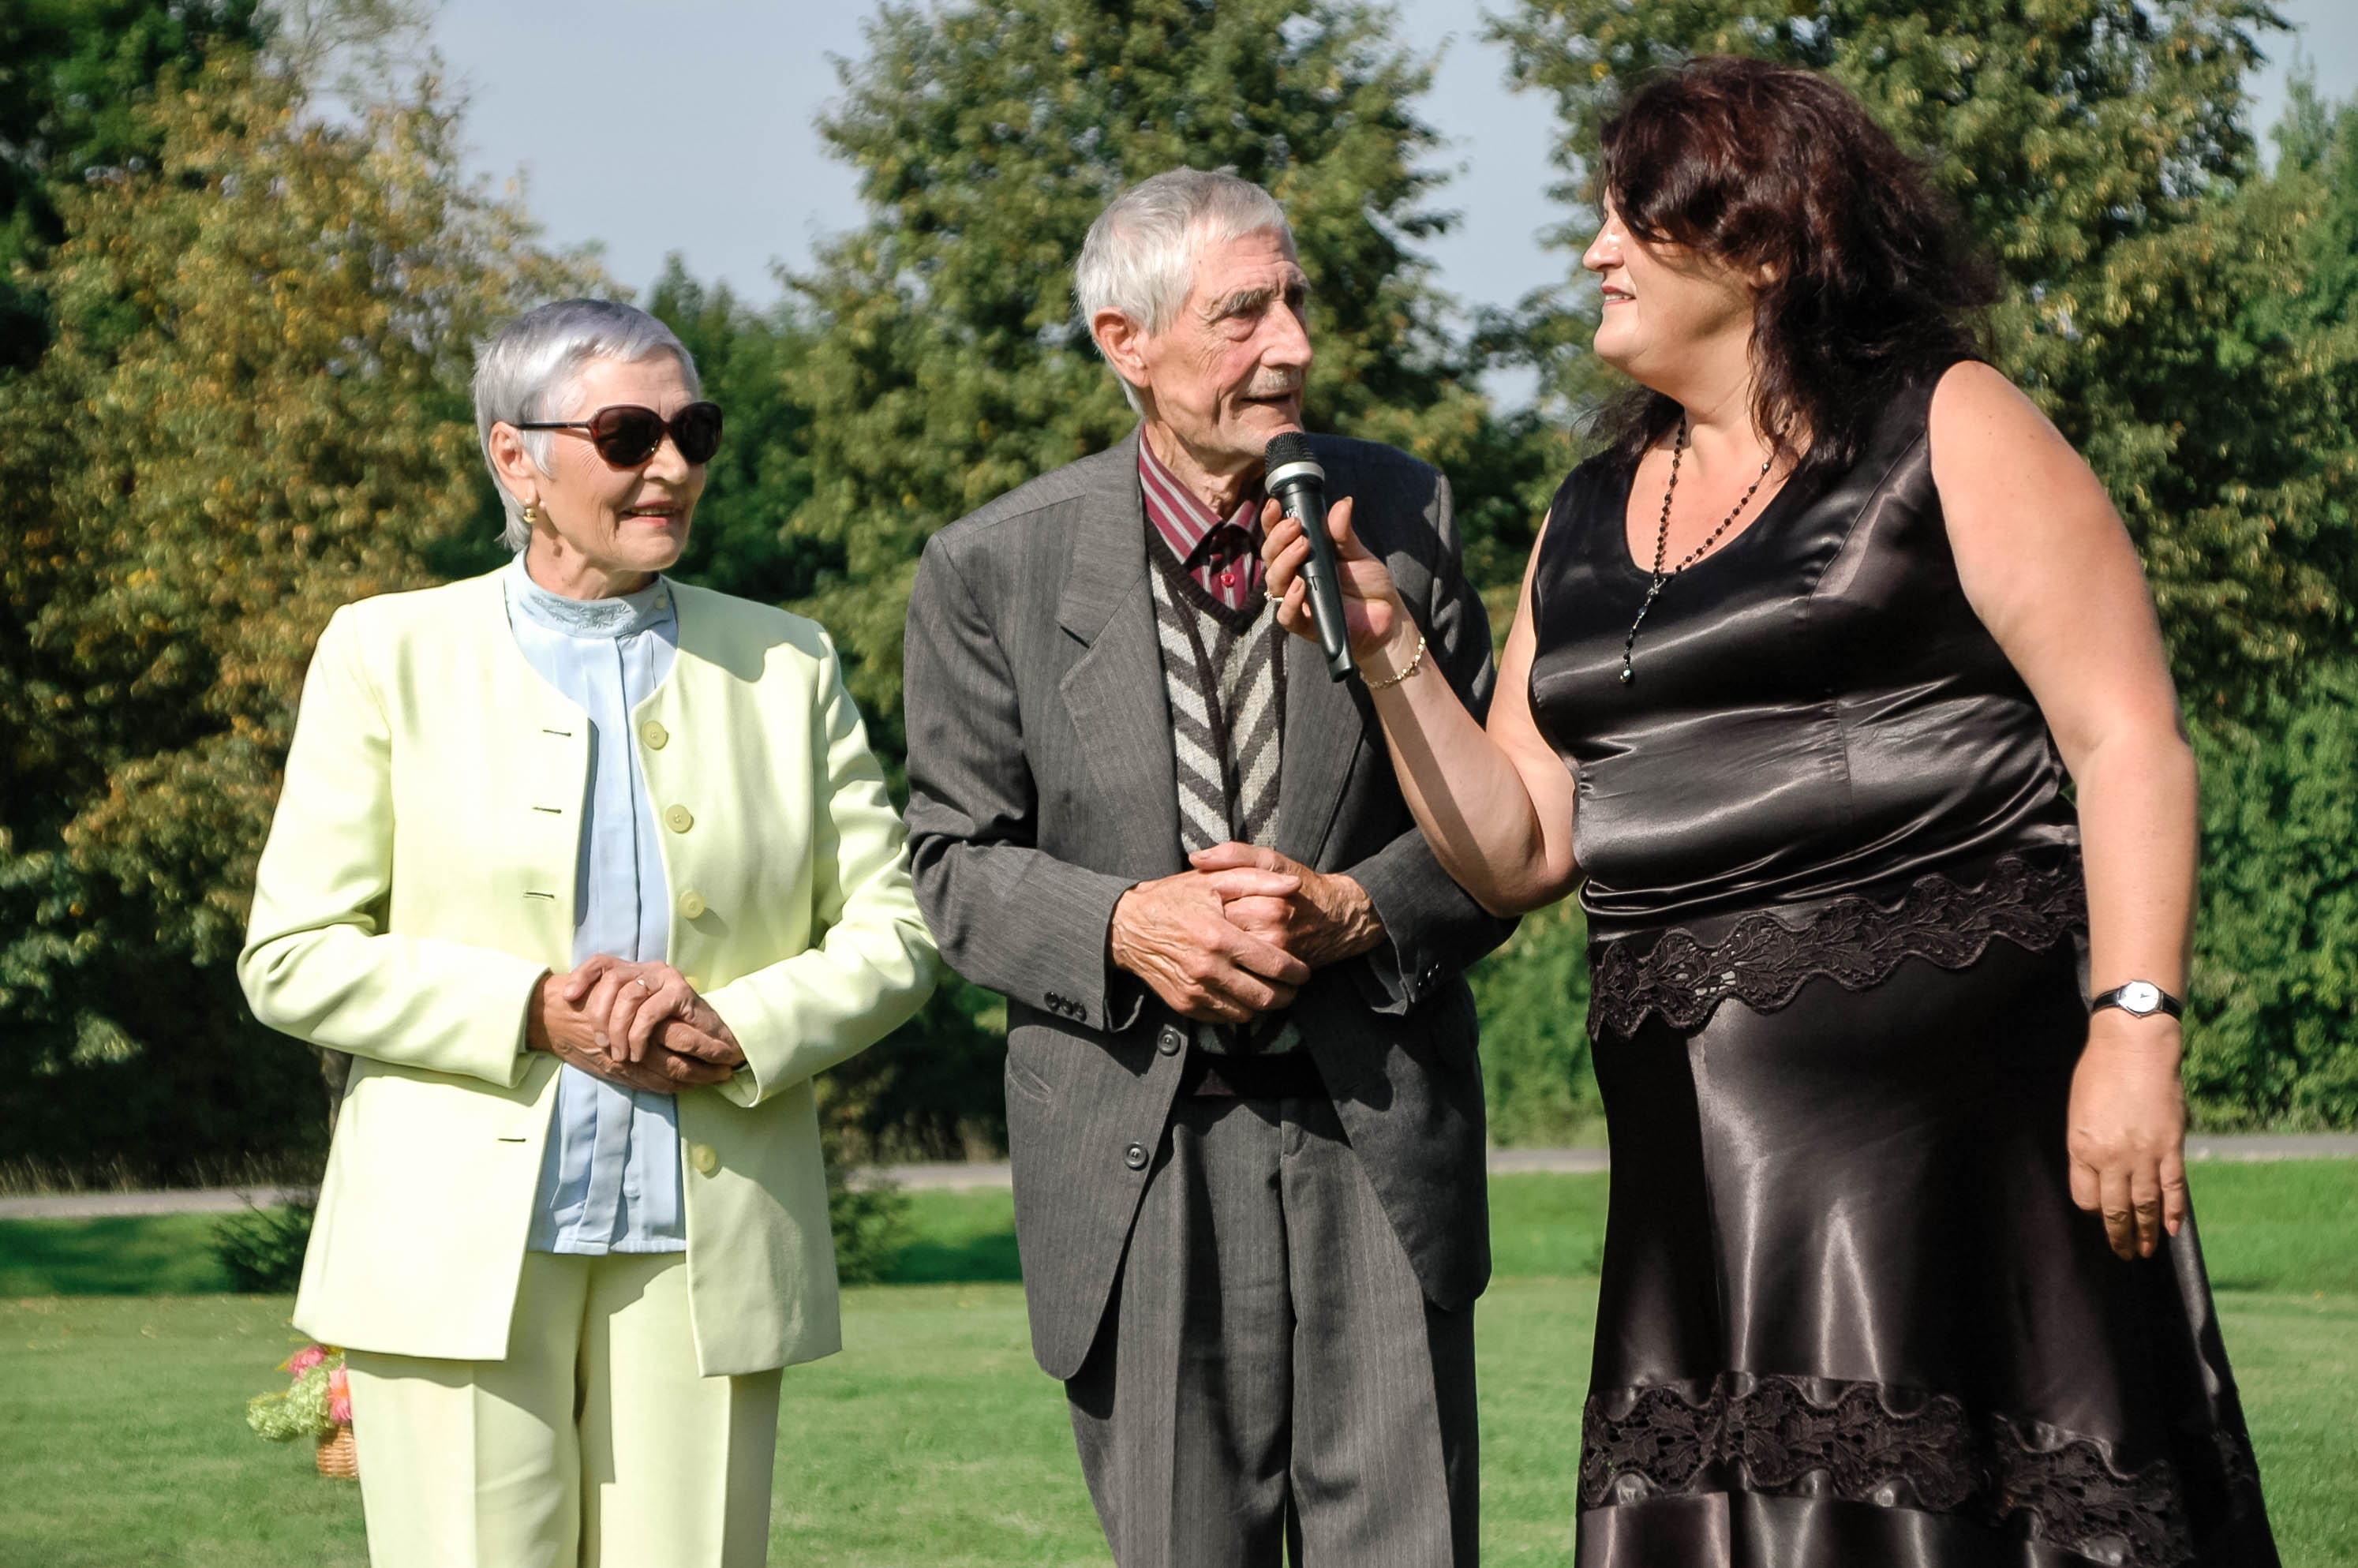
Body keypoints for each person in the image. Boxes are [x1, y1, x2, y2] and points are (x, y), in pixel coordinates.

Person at [1260, 58, 2278, 1568]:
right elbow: (1521, 847)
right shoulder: (1592, 505)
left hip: (1944, 1155)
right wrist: (1390, 651)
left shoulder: (1953, 424)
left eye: (1632, 220)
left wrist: (2136, 1028)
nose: (1595, 251)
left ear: (1762, 246)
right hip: (1697, 1174)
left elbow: (2127, 736)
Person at [238, 298, 938, 1568]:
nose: (671, 466)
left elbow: (895, 935)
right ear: (518, 460)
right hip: (446, 1259)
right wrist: (530, 1012)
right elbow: (292, 956)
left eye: (693, 431)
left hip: (708, 1252)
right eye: (628, 435)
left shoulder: (789, 662)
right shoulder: (384, 653)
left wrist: (742, 1025)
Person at [902, 167, 1510, 1566]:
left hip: (1379, 1132)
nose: (1291, 344)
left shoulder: (1402, 520)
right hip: (1138, 1153)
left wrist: (1359, 909)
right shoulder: (994, 566)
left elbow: (1504, 833)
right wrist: (1128, 924)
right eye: (1244, 315)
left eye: (1293, 303)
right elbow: (951, 864)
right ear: (1128, 343)